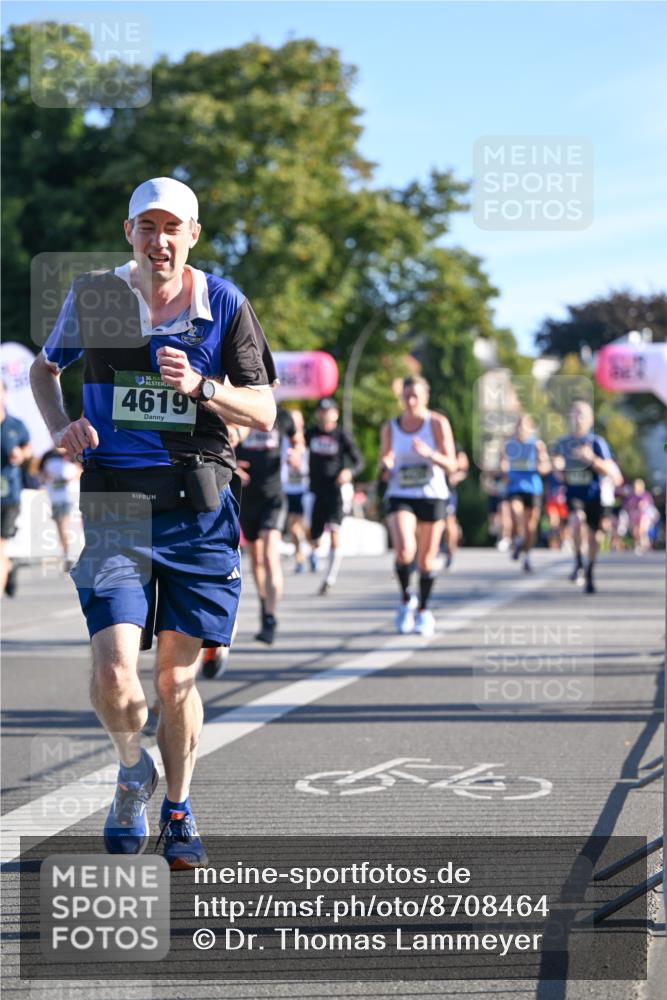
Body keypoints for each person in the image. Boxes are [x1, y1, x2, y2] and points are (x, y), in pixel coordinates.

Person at [30, 177, 277, 868]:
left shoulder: (222, 303)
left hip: (195, 508)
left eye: (173, 228)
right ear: (128, 232)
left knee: (174, 682)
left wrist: (202, 387)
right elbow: (45, 372)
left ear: (193, 235)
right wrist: (63, 426)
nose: (159, 240)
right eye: (147, 226)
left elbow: (264, 412)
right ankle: (131, 768)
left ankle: (178, 808)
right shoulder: (98, 296)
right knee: (115, 673)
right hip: (114, 503)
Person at [380, 375, 457, 636]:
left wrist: (430, 455)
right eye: (406, 396)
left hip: (432, 494)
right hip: (401, 493)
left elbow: (452, 464)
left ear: (426, 397)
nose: (411, 401)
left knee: (425, 561)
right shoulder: (391, 427)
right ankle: (405, 600)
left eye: (416, 396)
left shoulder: (436, 423)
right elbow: (384, 464)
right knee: (404, 551)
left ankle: (423, 610)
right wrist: (386, 466)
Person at [235, 407, 302, 644]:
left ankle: (271, 617)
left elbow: (298, 441)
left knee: (270, 555)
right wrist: (232, 465)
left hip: (274, 497)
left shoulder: (282, 417)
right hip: (247, 497)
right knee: (256, 559)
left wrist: (297, 454)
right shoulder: (239, 411)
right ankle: (265, 605)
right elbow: (223, 443)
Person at [552, 400, 616, 594]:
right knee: (576, 520)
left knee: (594, 536)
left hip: (594, 495)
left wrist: (591, 459)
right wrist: (558, 466)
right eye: (574, 414)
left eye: (582, 414)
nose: (577, 418)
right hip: (574, 494)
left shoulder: (597, 442)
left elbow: (610, 470)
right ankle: (579, 561)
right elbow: (557, 469)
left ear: (590, 420)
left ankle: (589, 569)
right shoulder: (563, 443)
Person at [306, 398, 363, 595]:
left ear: (336, 414)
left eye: (328, 411)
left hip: (336, 491)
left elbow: (359, 461)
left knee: (335, 533)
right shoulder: (310, 434)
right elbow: (297, 449)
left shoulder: (342, 436)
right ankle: (314, 554)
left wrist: (349, 472)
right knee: (314, 538)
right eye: (321, 411)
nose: (324, 415)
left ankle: (329, 578)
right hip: (315, 491)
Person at [502, 414, 551, 573]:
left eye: (524, 426)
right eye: (518, 426)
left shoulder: (537, 445)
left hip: (533, 488)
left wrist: (539, 465)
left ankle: (526, 554)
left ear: (530, 428)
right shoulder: (509, 445)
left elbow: (546, 467)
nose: (521, 429)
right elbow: (501, 463)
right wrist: (503, 471)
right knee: (517, 514)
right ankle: (518, 539)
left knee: (531, 526)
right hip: (515, 487)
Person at [1, 381, 32, 597]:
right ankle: (8, 568)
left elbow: (28, 448)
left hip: (8, 496)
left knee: (0, 546)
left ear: (5, 394)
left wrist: (21, 455)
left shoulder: (15, 425)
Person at [39, 446, 82, 572]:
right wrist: (48, 478)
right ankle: (67, 554)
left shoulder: (74, 452)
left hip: (71, 497)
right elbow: (41, 474)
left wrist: (73, 476)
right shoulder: (47, 455)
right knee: (61, 527)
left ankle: (72, 554)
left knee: (67, 525)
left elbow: (81, 471)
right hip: (55, 498)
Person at [281, 409, 310, 573]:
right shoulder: (284, 440)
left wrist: (300, 465)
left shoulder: (308, 439)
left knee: (303, 527)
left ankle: (311, 549)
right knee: (292, 528)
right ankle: (300, 556)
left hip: (304, 490)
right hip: (287, 489)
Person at [443, 441, 469, 569]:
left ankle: (450, 552)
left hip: (446, 491)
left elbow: (464, 467)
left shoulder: (453, 445)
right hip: (425, 491)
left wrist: (455, 478)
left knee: (449, 522)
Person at [624, 478, 659, 555]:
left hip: (644, 516)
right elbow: (627, 507)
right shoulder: (631, 496)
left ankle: (645, 545)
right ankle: (639, 544)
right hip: (634, 516)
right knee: (635, 532)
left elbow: (647, 506)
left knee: (642, 530)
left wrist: (641, 506)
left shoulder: (646, 495)